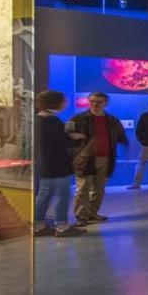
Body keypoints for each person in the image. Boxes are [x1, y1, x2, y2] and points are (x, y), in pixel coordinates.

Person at [69, 91, 128, 224]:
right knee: (83, 188)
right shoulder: (78, 119)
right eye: (92, 101)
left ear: (105, 103)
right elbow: (68, 136)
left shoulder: (112, 120)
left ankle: (92, 213)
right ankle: (81, 216)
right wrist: (76, 153)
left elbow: (120, 136)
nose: (95, 104)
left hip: (106, 158)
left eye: (99, 102)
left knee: (99, 189)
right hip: (85, 159)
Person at [34, 90, 85, 238]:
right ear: (56, 102)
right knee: (63, 195)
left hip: (45, 165)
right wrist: (75, 137)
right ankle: (62, 226)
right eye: (63, 100)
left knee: (44, 195)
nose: (65, 103)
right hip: (57, 165)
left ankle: (38, 226)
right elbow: (63, 142)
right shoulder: (52, 121)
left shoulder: (39, 119)